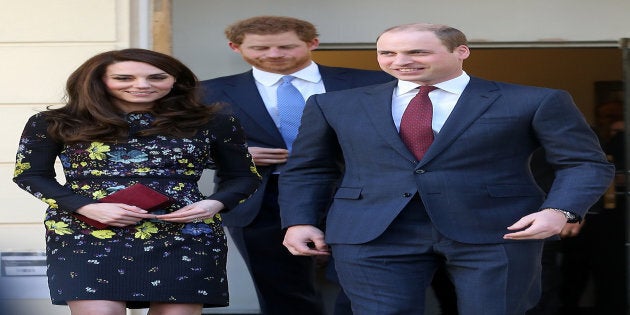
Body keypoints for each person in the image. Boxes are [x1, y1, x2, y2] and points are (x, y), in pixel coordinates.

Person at [279, 23, 614, 315]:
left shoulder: (534, 100)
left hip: (497, 228)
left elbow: (584, 162)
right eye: (387, 53)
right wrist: (299, 220)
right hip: (372, 231)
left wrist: (560, 210)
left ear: (461, 51)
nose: (400, 61)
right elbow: (309, 168)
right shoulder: (334, 104)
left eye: (417, 52)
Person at [12, 48, 261, 315]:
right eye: (123, 78)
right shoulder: (53, 122)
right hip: (86, 230)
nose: (142, 85)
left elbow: (243, 177)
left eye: (157, 77)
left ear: (175, 80)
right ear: (98, 81)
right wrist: (84, 207)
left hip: (186, 231)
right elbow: (30, 175)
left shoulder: (215, 122)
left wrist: (214, 204)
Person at [200, 15, 393, 315]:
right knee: (281, 292)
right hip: (260, 197)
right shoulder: (206, 92)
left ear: (312, 43)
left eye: (286, 46)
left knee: (367, 283)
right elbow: (179, 147)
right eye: (261, 47)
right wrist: (234, 155)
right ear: (235, 47)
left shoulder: (371, 82)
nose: (274, 54)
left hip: (358, 192)